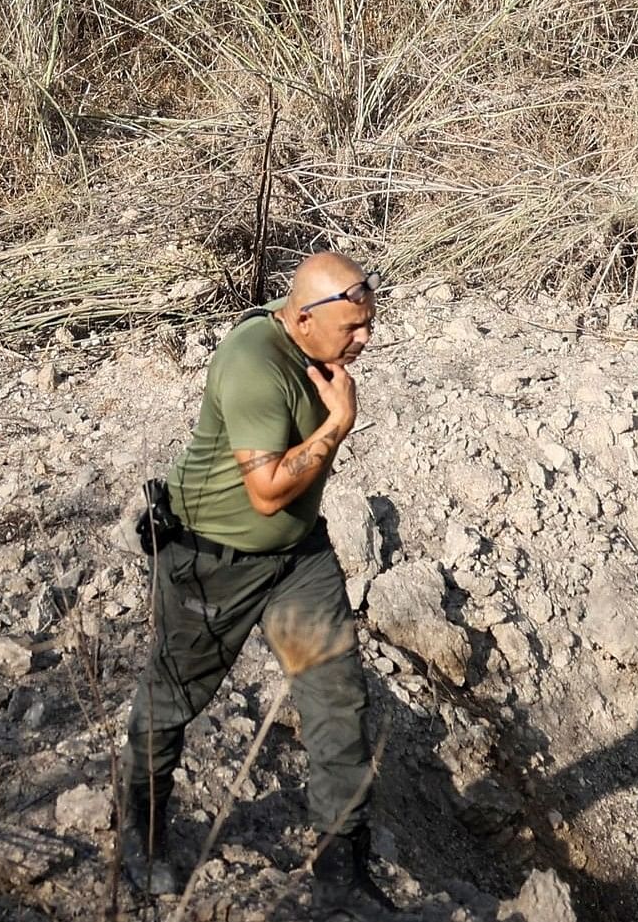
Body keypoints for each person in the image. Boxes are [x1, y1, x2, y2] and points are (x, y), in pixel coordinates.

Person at [118, 250, 393, 910]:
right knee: (174, 696)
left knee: (337, 696)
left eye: (370, 324)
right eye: (351, 328)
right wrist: (338, 423)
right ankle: (144, 832)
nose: (365, 340)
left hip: (297, 557)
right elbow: (267, 490)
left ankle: (341, 863)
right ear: (301, 318)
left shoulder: (319, 348)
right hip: (214, 562)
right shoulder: (253, 364)